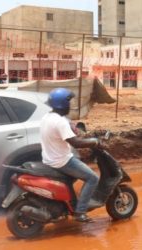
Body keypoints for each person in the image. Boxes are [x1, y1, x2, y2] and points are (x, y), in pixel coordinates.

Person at [40, 88, 102, 222]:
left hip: (49, 158)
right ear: (62, 104)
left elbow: (63, 130)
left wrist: (72, 127)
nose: (70, 105)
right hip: (62, 161)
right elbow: (76, 143)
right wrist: (94, 141)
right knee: (92, 178)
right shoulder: (60, 122)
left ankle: (68, 203)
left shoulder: (48, 117)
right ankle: (80, 211)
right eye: (68, 102)